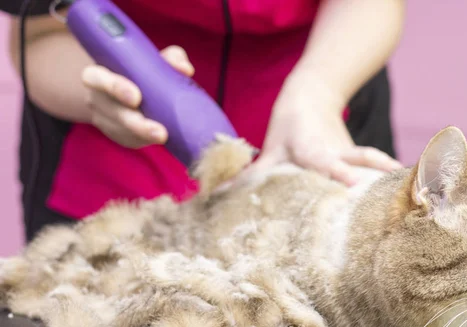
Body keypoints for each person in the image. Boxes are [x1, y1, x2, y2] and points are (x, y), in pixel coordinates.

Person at [2, 0, 405, 242]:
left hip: (318, 117)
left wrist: (319, 93)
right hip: (110, 174)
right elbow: (38, 32)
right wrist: (103, 96)